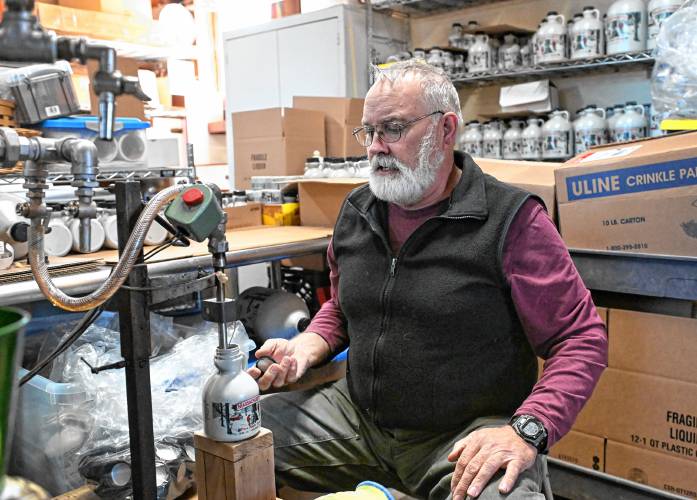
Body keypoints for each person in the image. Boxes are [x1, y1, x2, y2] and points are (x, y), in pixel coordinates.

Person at [249, 61, 607, 499]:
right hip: (357, 418)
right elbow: (345, 306)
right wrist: (310, 344)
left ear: (446, 129)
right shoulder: (357, 212)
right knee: (232, 429)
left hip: (461, 437)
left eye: (394, 129)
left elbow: (580, 338)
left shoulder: (511, 220)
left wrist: (526, 431)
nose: (377, 147)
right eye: (369, 132)